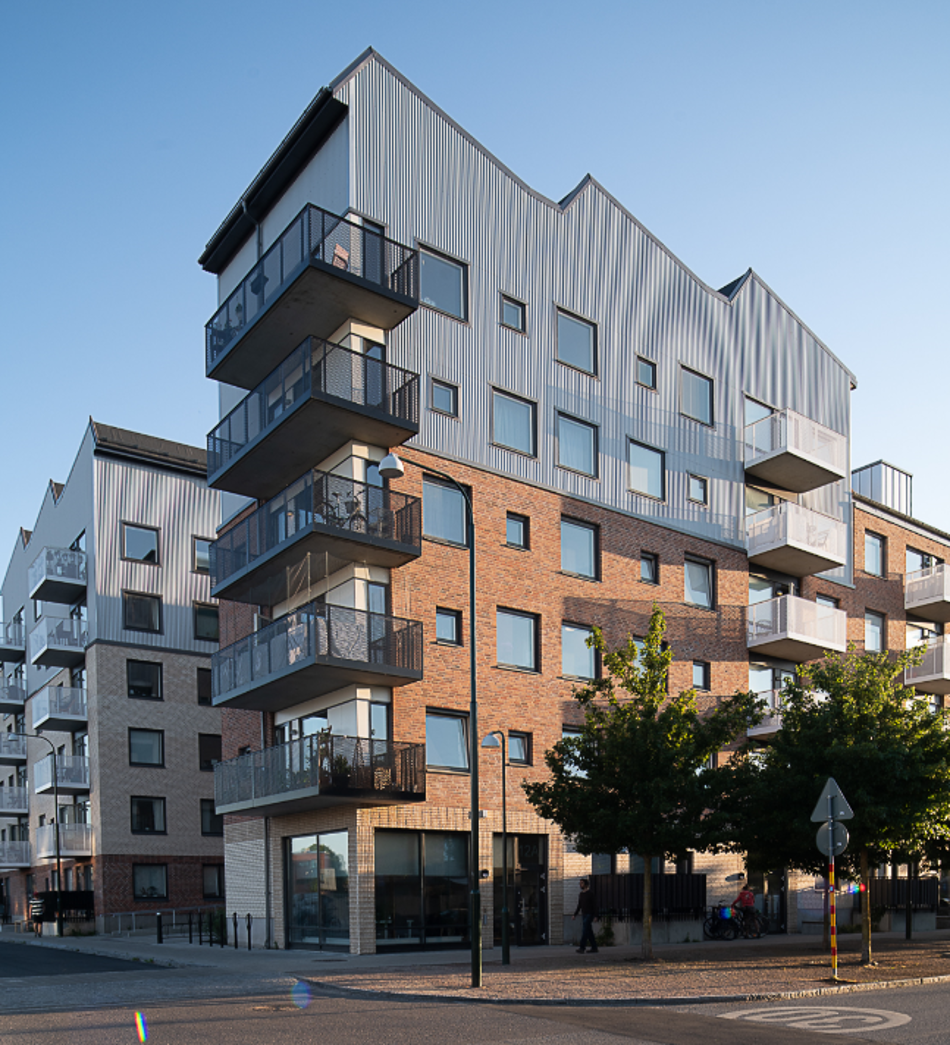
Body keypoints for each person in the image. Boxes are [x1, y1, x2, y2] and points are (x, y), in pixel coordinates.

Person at [572, 878, 599, 954]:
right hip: (584, 914)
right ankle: (594, 947)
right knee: (589, 931)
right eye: (580, 883)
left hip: (589, 914)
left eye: (582, 883)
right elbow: (579, 905)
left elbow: (595, 905)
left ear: (586, 884)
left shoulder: (590, 894)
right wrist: (575, 914)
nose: (580, 885)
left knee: (584, 930)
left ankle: (582, 947)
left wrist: (596, 915)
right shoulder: (581, 894)